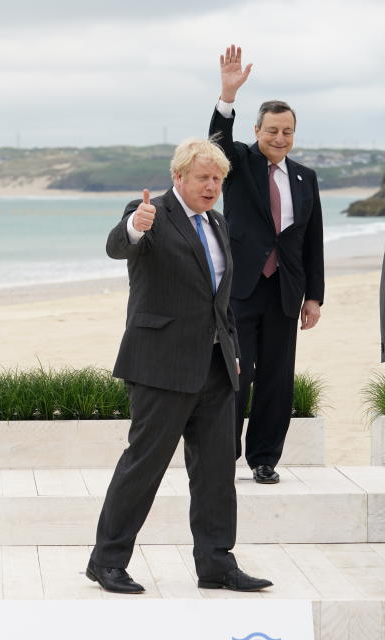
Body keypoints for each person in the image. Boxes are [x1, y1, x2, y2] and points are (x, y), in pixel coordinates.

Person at [86, 138, 272, 594]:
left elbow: (219, 297)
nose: (212, 187)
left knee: (215, 473)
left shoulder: (218, 223)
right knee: (143, 467)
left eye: (217, 180)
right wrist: (134, 224)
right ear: (179, 177)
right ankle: (106, 561)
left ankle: (216, 563)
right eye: (203, 178)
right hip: (160, 366)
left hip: (214, 367)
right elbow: (117, 245)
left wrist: (232, 350)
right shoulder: (150, 213)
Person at [212, 45, 325, 484]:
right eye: (272, 130)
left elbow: (311, 240)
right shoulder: (238, 162)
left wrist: (314, 296)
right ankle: (223, 455)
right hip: (240, 288)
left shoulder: (304, 177)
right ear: (257, 129)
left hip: (285, 291)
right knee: (238, 374)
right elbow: (216, 142)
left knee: (278, 380)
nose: (280, 138)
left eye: (288, 131)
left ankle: (264, 459)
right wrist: (227, 95)